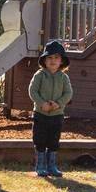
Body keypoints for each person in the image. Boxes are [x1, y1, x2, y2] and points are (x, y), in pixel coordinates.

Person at [29, 40, 73, 178]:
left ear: (61, 61)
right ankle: (40, 165)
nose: (53, 61)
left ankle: (52, 165)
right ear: (44, 60)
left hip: (57, 114)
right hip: (41, 114)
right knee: (40, 139)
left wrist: (58, 103)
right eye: (49, 57)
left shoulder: (64, 77)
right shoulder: (40, 75)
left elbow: (68, 93)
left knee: (54, 140)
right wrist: (42, 103)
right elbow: (33, 91)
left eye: (56, 58)